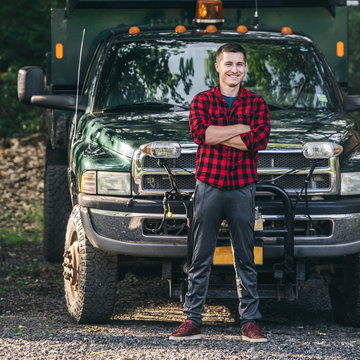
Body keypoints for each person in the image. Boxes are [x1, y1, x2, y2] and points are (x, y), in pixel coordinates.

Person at [169, 43, 270, 342]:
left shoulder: (256, 103)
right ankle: (193, 319)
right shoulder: (202, 100)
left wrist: (220, 133)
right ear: (218, 66)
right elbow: (202, 134)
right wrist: (240, 128)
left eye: (239, 64)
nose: (234, 69)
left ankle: (249, 321)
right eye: (228, 64)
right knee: (200, 256)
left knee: (245, 257)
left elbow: (258, 141)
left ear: (245, 68)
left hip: (242, 187)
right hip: (208, 186)